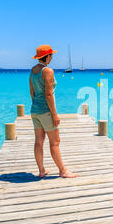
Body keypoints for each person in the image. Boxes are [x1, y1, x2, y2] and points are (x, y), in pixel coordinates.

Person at [29, 45, 78, 179]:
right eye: (51, 55)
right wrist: (54, 115)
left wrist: (37, 106)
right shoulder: (48, 71)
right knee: (55, 142)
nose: (52, 58)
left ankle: (41, 170)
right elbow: (49, 95)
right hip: (46, 111)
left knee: (39, 141)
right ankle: (63, 171)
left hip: (35, 110)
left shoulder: (33, 70)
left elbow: (32, 92)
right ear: (48, 56)